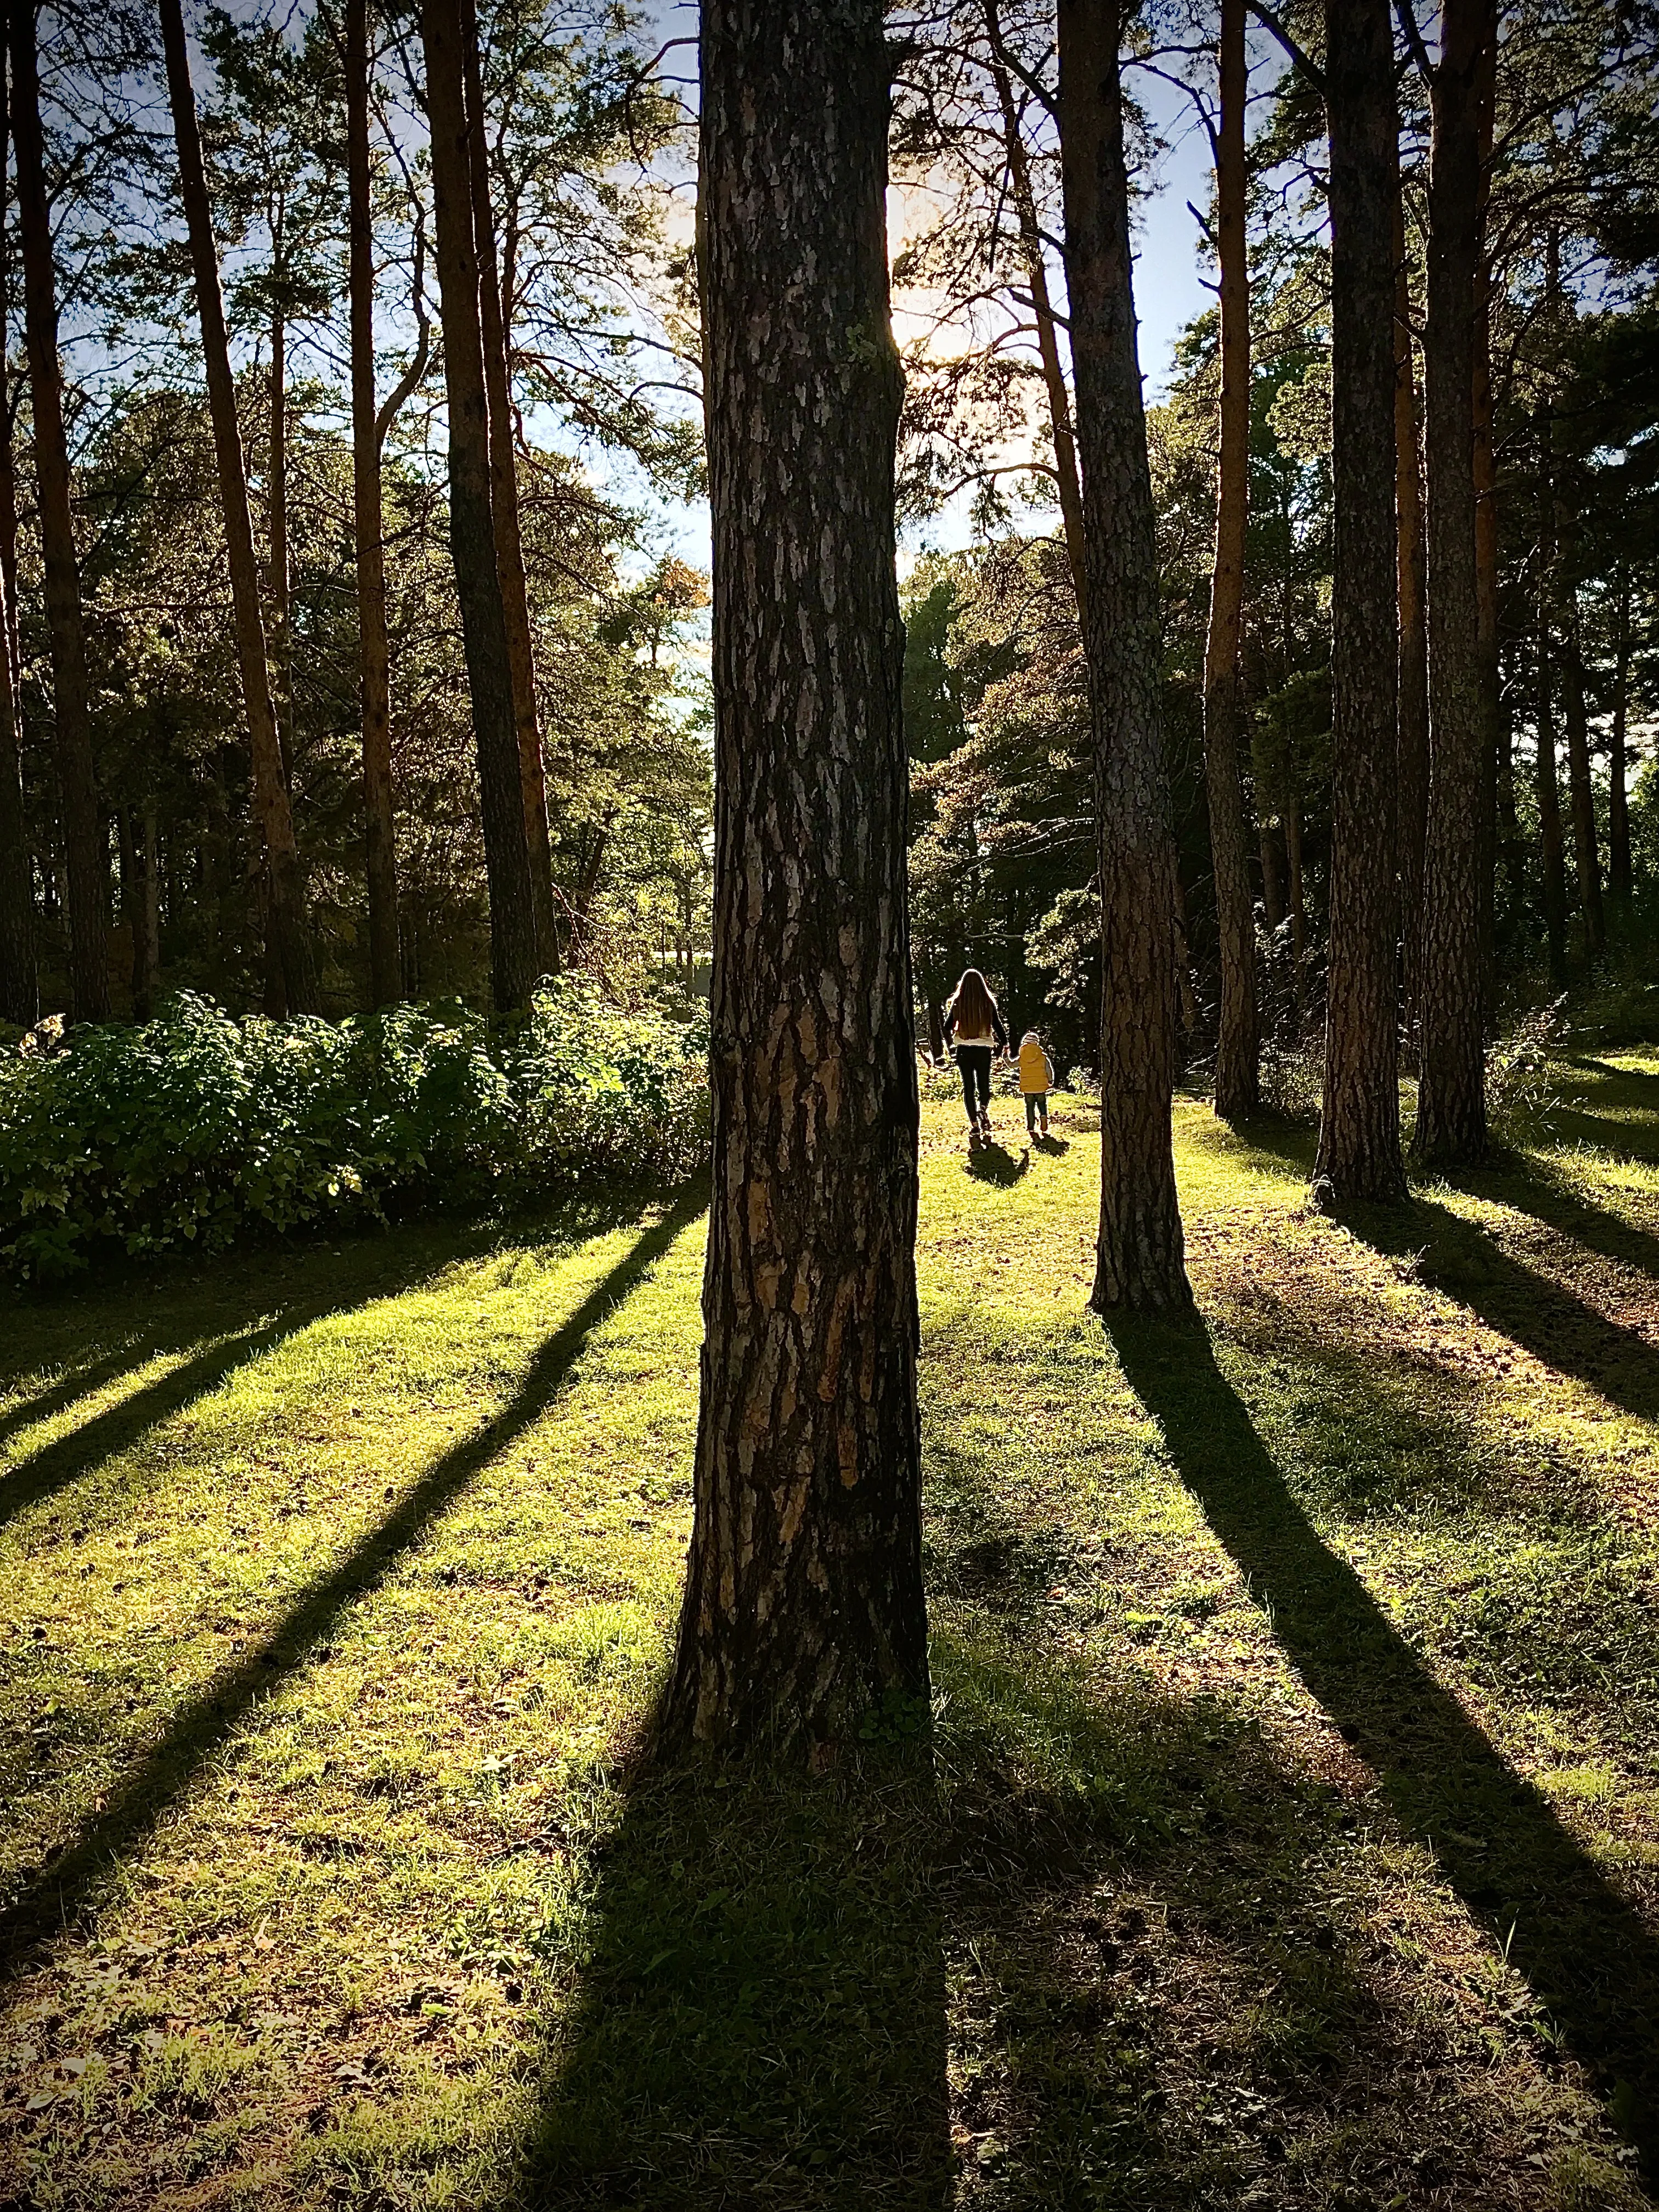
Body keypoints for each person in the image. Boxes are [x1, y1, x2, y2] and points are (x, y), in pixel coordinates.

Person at [943, 968, 1007, 1146]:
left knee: (969, 1088)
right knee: (984, 1085)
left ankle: (974, 1125)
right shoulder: (987, 1003)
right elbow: (997, 1025)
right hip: (983, 1049)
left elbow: (947, 1026)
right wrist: (1005, 1043)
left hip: (964, 1049)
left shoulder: (958, 1003)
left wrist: (953, 1038)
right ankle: (983, 1110)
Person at [1018, 1029, 1053, 1138]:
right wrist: (1050, 1080)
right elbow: (1049, 1069)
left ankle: (1031, 1126)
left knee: (1030, 1107)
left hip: (1028, 1088)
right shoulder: (1043, 1057)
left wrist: (1005, 1057)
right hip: (1040, 1088)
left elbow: (1011, 1064)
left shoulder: (1022, 1057)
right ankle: (1043, 1116)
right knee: (1042, 1105)